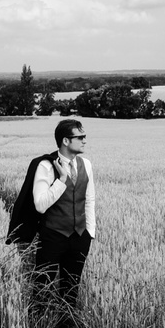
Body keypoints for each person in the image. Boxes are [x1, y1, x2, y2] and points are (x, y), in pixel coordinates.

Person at [32, 119, 96, 316]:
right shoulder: (46, 166)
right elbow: (40, 205)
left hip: (79, 237)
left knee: (71, 289)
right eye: (80, 137)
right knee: (42, 289)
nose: (85, 140)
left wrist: (89, 232)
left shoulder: (86, 164)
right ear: (66, 141)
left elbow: (89, 199)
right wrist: (61, 180)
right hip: (53, 236)